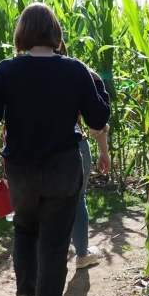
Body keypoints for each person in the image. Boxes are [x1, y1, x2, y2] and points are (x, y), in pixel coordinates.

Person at [0, 3, 111, 296]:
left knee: (24, 229)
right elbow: (98, 117)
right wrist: (102, 93)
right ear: (55, 33)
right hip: (64, 168)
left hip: (20, 170)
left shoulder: (7, 70)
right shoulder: (76, 70)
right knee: (52, 247)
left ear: (22, 33)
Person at [55, 41, 111, 270]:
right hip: (75, 147)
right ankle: (81, 254)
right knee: (78, 199)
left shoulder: (25, 72)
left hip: (36, 152)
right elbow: (96, 120)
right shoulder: (81, 72)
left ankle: (49, 257)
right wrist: (104, 152)